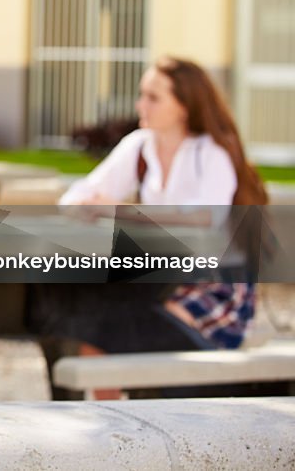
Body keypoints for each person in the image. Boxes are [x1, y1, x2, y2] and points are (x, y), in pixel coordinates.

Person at [35, 56, 268, 396]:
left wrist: (120, 211)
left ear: (185, 106)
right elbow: (74, 198)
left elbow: (207, 217)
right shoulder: (139, 147)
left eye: (154, 97)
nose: (140, 104)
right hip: (156, 278)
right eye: (142, 94)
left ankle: (127, 430)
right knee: (93, 332)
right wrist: (89, 207)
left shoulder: (211, 153)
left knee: (109, 337)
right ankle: (114, 435)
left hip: (212, 288)